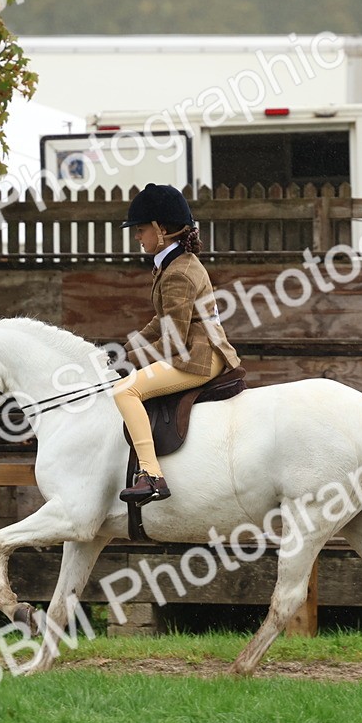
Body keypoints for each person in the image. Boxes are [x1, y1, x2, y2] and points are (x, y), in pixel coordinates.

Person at [114, 183, 241, 505]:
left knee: (125, 391)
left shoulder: (177, 273)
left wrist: (129, 361)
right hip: (199, 348)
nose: (137, 237)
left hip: (198, 356)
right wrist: (124, 350)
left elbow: (173, 340)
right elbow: (162, 320)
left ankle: (151, 474)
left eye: (141, 230)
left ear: (161, 230)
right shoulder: (174, 264)